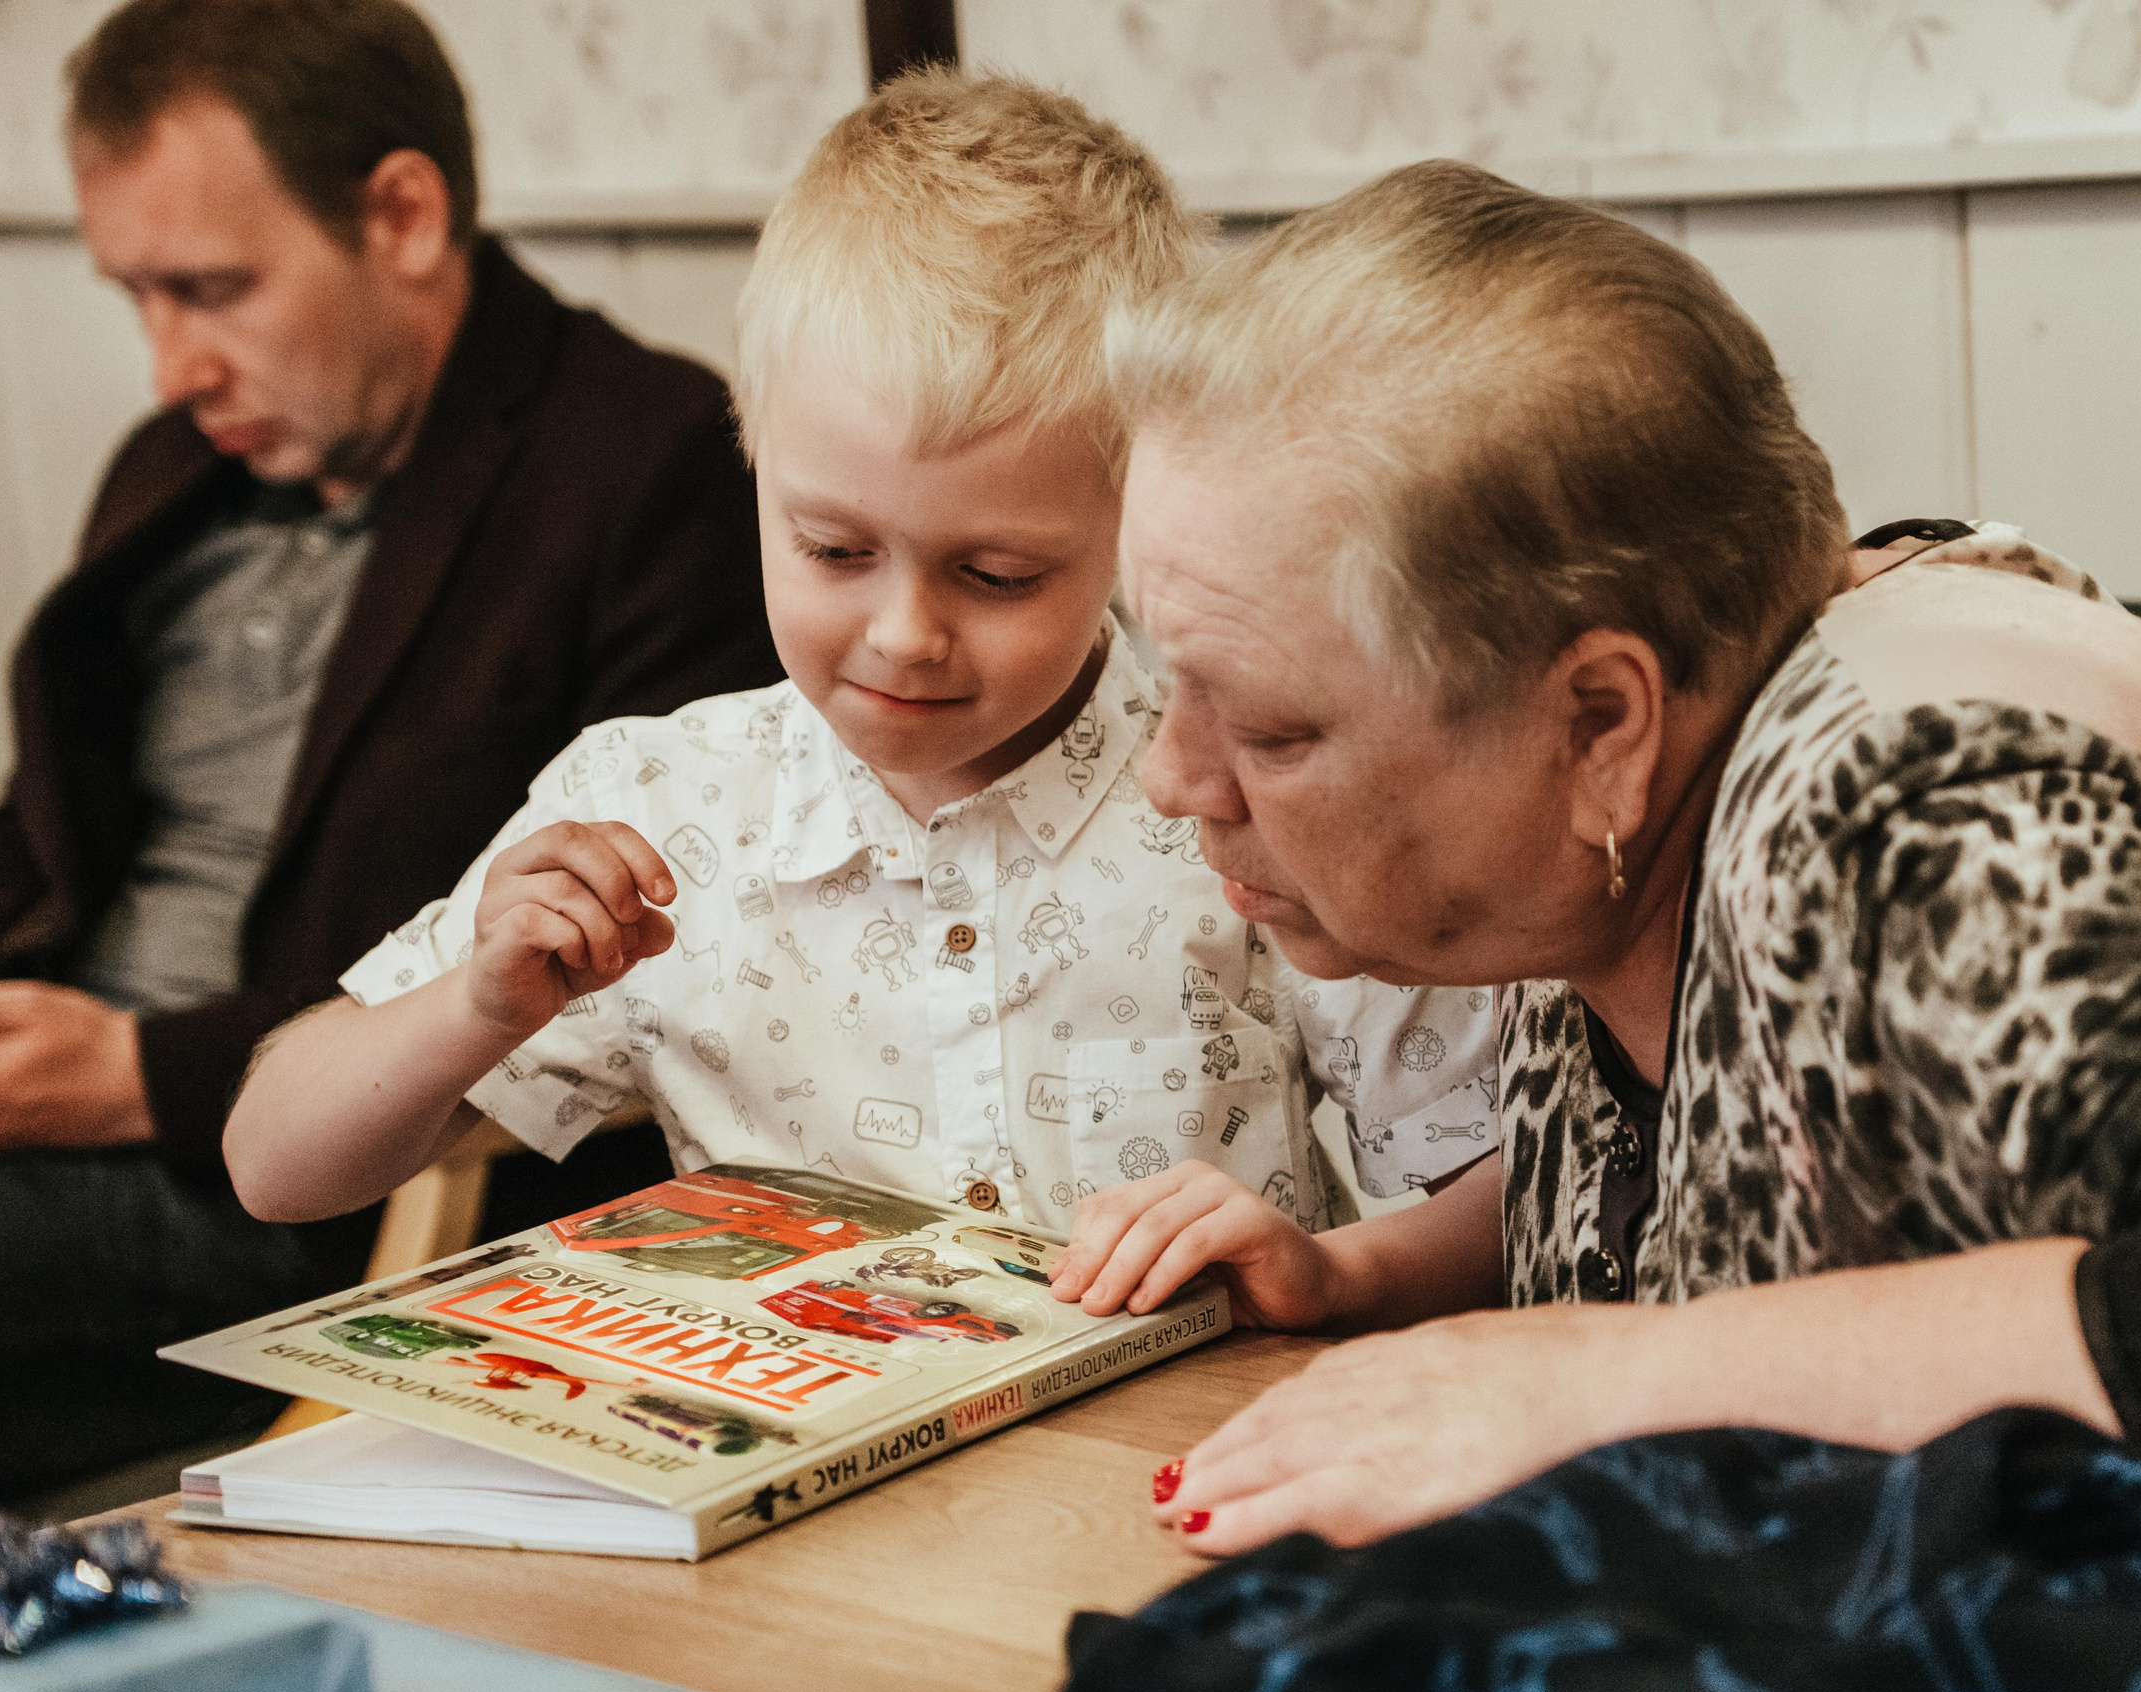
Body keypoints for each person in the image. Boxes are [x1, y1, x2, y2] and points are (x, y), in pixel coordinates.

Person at [1053, 160, 2141, 1564]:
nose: (1175, 774)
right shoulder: (1621, 827)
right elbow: (1718, 1144)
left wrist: (1594, 1381)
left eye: (1268, 725)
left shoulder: (1927, 828)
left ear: (1600, 721)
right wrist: (1363, 1275)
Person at [223, 76, 1497, 1247]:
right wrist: (475, 1012)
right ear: (756, 456)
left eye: (995, 576)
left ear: (1134, 520)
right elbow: (275, 1166)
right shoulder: (664, 810)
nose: (903, 633)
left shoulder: (1251, 806)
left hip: (1165, 1471)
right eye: (833, 549)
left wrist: (1329, 1278)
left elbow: (1510, 1192)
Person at [0, 0, 774, 1498]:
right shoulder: (179, 476)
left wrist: (140, 1071)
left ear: (405, 216)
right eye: (139, 295)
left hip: (290, 1182)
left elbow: (648, 954)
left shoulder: (644, 460)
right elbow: (48, 836)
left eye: (212, 289)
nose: (171, 366)